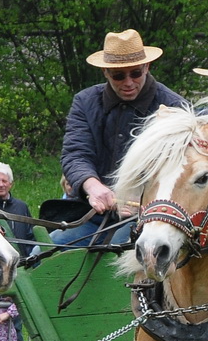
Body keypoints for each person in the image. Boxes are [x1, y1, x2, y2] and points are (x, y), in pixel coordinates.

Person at [54, 28, 189, 249]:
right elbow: (75, 154)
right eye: (118, 76)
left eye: (135, 73)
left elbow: (181, 170)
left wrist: (140, 197)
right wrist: (93, 187)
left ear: (147, 67)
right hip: (93, 212)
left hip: (150, 217)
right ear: (106, 72)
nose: (128, 82)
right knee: (43, 252)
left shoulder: (174, 107)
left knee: (116, 255)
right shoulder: (85, 102)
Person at [0, 164, 38, 258]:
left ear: (10, 184)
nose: (1, 185)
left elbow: (30, 237)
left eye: (4, 181)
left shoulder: (21, 207)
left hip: (21, 261)